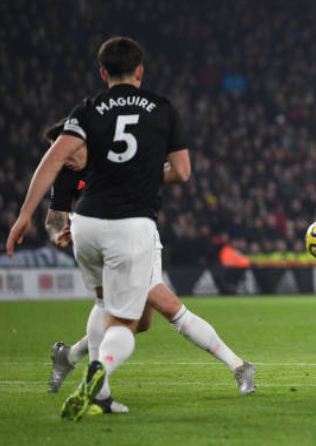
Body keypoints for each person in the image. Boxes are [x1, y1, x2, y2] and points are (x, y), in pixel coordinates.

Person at [8, 36, 179, 421]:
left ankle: (85, 375)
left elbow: (52, 163)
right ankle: (98, 372)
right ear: (140, 71)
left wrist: (23, 216)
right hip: (129, 226)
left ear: (102, 72)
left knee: (108, 307)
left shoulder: (86, 113)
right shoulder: (160, 109)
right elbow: (182, 172)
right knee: (128, 323)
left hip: (88, 227)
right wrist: (147, 177)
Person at [41, 120, 256, 413]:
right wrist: (58, 233)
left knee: (140, 323)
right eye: (59, 154)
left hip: (141, 234)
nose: (65, 160)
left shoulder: (111, 155)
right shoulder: (66, 173)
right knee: (169, 307)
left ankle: (70, 356)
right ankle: (239, 366)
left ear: (83, 142)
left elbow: (163, 172)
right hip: (115, 242)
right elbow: (55, 216)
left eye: (68, 152)